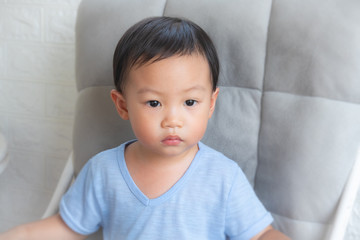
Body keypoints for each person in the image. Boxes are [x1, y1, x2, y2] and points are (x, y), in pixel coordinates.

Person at [0, 17, 289, 240]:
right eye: (154, 103)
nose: (172, 120)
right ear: (123, 105)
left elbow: (261, 234)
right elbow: (66, 227)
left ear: (211, 103)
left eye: (190, 101)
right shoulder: (104, 171)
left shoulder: (223, 177)